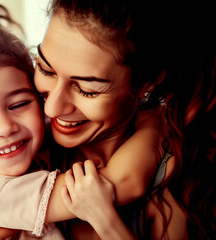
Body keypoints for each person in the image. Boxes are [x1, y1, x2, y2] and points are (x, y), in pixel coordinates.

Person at [0, 3, 166, 240]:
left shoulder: (33, 149)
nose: (5, 127)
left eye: (19, 104)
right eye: (47, 70)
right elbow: (121, 183)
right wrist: (153, 124)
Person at [33, 0, 215, 239]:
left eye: (87, 89)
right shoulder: (25, 147)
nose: (52, 108)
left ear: (146, 84)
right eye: (46, 70)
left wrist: (105, 220)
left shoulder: (173, 175)